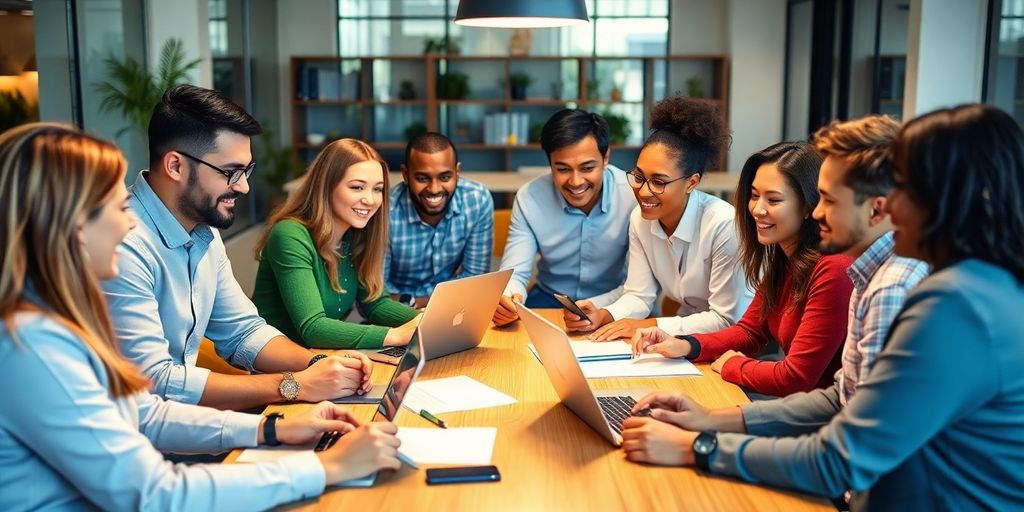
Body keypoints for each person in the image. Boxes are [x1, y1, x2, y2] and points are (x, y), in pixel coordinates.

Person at [618, 104, 1024, 511]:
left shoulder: (953, 306)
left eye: (900, 190)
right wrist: (711, 419)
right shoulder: (969, 286)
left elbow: (840, 459)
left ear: (944, 200)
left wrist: (699, 446)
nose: (888, 207)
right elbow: (843, 399)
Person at [0, 123, 403, 511]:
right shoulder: (32, 345)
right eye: (113, 205)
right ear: (74, 227)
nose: (127, 220)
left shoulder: (60, 319)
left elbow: (147, 413)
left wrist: (273, 428)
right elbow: (156, 496)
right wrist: (325, 465)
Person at [102, 85, 373, 411]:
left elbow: (244, 332)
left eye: (246, 171)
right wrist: (293, 385)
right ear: (175, 166)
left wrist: (318, 362)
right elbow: (157, 381)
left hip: (183, 420)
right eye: (230, 172)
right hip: (141, 434)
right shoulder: (123, 245)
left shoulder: (204, 230)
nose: (243, 186)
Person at [632, 142, 853, 397]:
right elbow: (750, 332)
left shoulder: (833, 268)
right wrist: (684, 345)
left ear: (807, 206)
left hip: (827, 418)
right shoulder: (785, 258)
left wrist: (733, 364)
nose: (757, 210)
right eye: (755, 195)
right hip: (800, 405)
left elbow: (795, 378)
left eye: (774, 199)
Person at [565, 97, 752, 340]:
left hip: (738, 344)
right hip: (684, 338)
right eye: (639, 177)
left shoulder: (723, 225)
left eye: (659, 182)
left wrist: (651, 325)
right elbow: (639, 294)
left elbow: (727, 319)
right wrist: (605, 314)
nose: (643, 192)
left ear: (691, 183)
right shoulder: (640, 220)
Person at [253, 138, 420, 349]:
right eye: (357, 187)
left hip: (319, 359)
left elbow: (376, 303)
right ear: (326, 186)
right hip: (271, 367)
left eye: (377, 189)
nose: (370, 200)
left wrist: (424, 320)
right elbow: (313, 328)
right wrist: (395, 336)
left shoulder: (354, 235)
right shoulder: (289, 234)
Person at [493, 109, 635, 326]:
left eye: (587, 168)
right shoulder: (531, 198)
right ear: (550, 163)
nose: (576, 181)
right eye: (563, 169)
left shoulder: (632, 196)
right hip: (549, 298)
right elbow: (515, 273)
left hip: (614, 301)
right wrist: (510, 296)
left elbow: (641, 284)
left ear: (606, 158)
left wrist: (601, 308)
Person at [385, 132, 494, 308]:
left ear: (457, 172)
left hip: (452, 312)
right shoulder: (385, 211)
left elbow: (475, 282)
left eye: (445, 177)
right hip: (394, 315)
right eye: (422, 178)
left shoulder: (477, 200)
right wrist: (419, 305)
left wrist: (422, 304)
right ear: (405, 174)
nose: (434, 189)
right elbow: (375, 294)